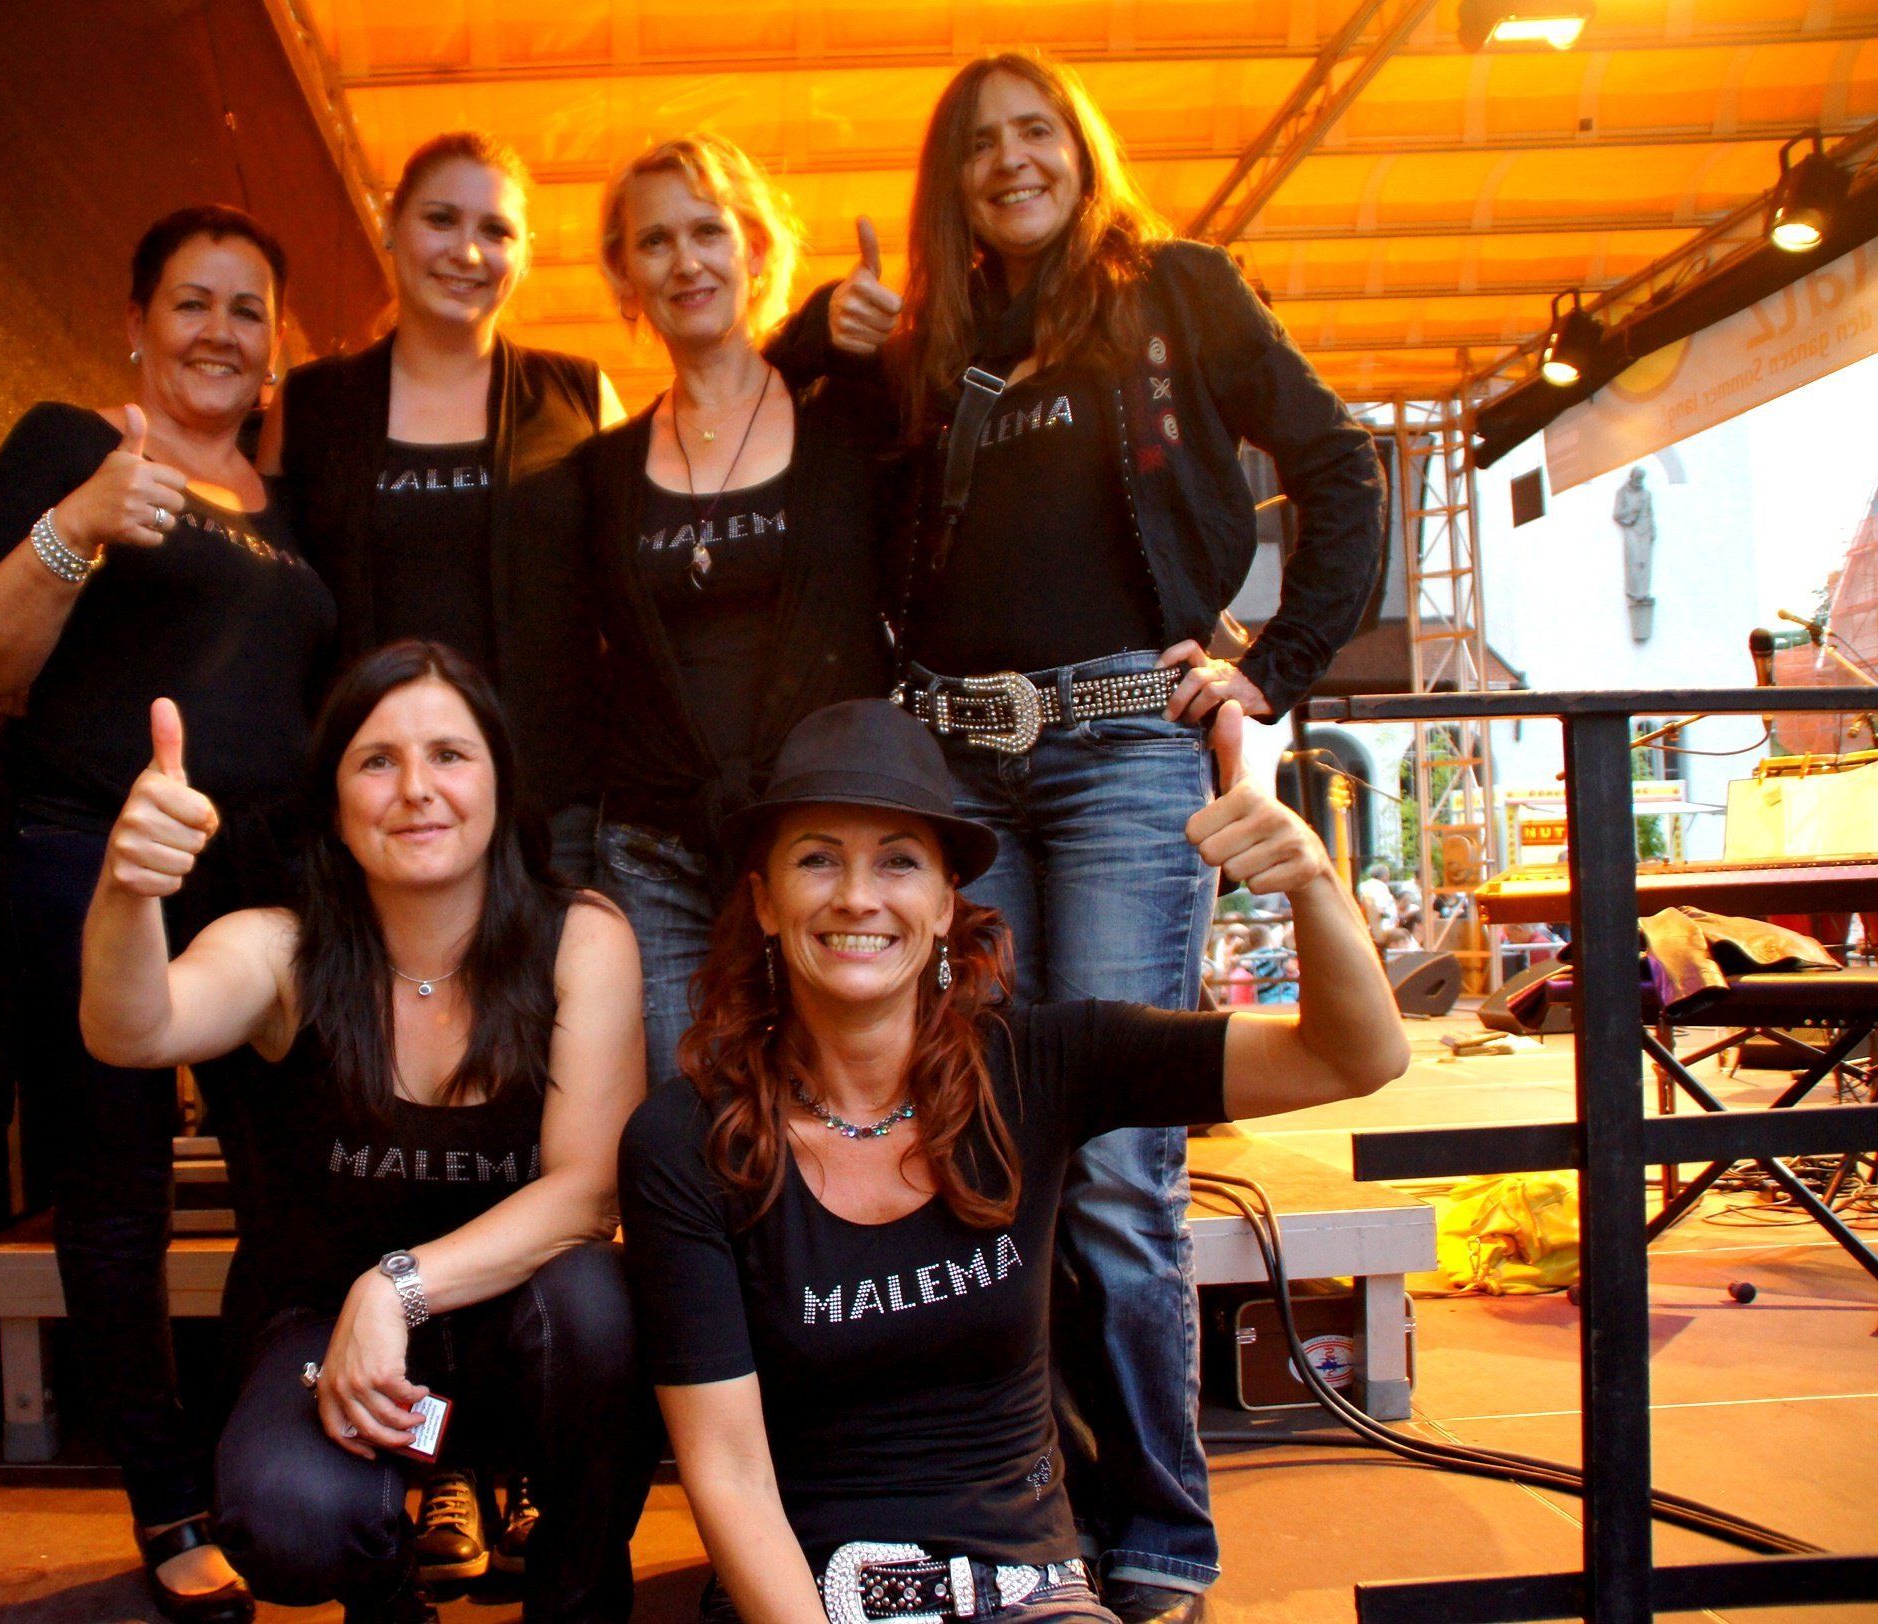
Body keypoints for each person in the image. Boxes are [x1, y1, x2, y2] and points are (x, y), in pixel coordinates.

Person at [792, 54, 1387, 1618]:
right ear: (950, 179)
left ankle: (1161, 1533)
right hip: (956, 765)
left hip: (1125, 746)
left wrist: (1275, 666)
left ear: (1079, 148)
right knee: (977, 1138)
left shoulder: (1176, 295)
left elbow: (1339, 465)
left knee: (1119, 1162)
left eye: (1035, 132)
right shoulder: (925, 350)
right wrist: (816, 333)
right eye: (979, 143)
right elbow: (786, 455)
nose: (1011, 160)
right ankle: (1025, 1504)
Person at [619, 699, 1409, 1624]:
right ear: (764, 901)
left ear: (945, 902)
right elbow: (730, 1475)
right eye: (818, 859)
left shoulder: (1042, 1063)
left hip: (1031, 1597)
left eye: (899, 862)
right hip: (807, 1601)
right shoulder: (686, 1139)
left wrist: (1312, 881)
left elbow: (1354, 1058)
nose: (858, 897)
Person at [81, 641, 656, 1624]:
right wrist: (128, 888)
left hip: (519, 1344)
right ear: (335, 803)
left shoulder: (582, 938)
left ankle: (576, 1598)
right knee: (286, 1515)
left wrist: (395, 1286)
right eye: (377, 761)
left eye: (449, 755)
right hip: (328, 1347)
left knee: (601, 1309)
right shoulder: (282, 948)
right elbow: (130, 1030)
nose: (416, 789)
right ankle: (386, 1595)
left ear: (499, 781)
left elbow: (588, 1191)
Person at [0, 204, 330, 1623]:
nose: (220, 330)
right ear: (137, 322)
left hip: (262, 885)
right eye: (192, 301)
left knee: (298, 1184)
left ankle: (244, 1459)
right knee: (120, 1199)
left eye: (247, 308)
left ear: (276, 346)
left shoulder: (291, 509)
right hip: (94, 858)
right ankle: (168, 1510)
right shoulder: (72, 445)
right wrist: (81, 525)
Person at [585, 132, 894, 1085]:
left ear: (755, 249)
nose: (685, 261)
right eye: (654, 241)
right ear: (625, 277)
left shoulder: (854, 420)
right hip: (656, 853)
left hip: (827, 848)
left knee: (836, 1100)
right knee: (688, 1118)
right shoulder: (600, 473)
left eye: (708, 231)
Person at [269, 131, 625, 883]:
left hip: (547, 819)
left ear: (524, 255)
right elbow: (269, 596)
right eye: (440, 219)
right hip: (363, 821)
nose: (467, 252)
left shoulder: (580, 396)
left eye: (496, 230)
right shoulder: (310, 404)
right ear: (390, 227)